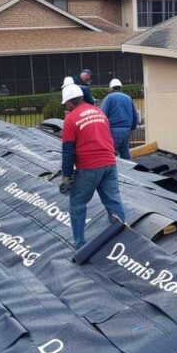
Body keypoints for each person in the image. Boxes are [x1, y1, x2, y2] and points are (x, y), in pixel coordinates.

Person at [60, 83, 126, 249]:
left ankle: (80, 245)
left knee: (77, 203)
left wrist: (66, 175)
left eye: (66, 104)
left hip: (90, 166)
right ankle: (123, 238)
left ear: (69, 102)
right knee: (113, 201)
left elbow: (68, 151)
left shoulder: (71, 119)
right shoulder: (99, 112)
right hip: (110, 163)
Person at [100, 78, 139, 160]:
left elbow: (103, 115)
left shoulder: (109, 98)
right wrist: (132, 128)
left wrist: (102, 131)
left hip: (113, 131)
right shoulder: (128, 98)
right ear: (121, 88)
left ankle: (113, 172)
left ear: (111, 88)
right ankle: (128, 172)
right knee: (125, 153)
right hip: (127, 131)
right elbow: (135, 116)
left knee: (110, 155)